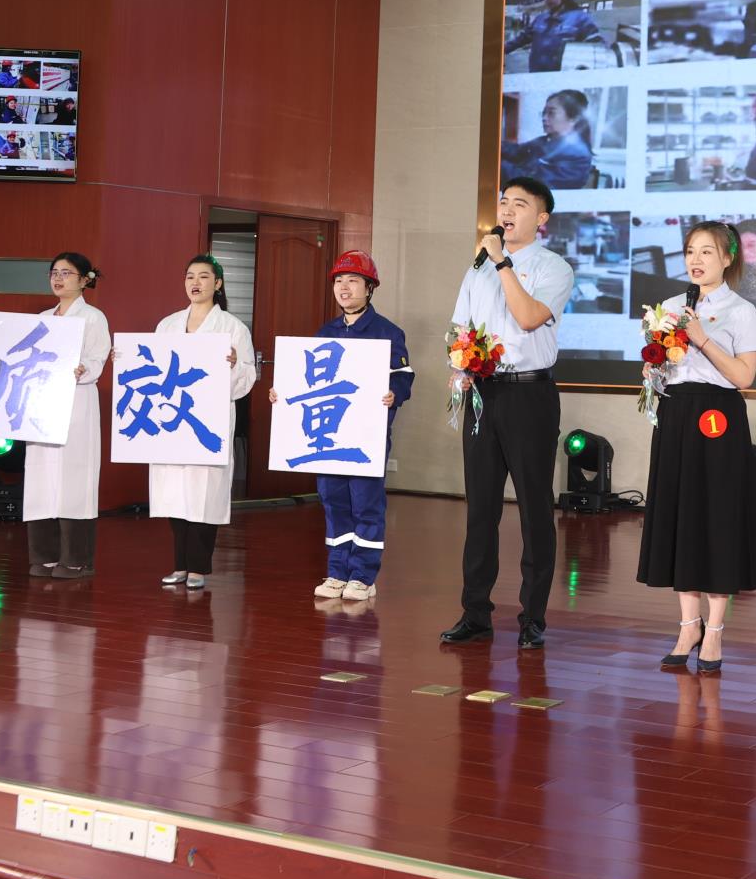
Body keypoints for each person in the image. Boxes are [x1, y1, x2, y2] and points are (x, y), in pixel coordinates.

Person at [441, 176, 576, 650]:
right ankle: (475, 612)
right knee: (480, 508)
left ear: (542, 218)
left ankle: (532, 617)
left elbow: (528, 317)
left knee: (535, 508)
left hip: (529, 395)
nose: (507, 210)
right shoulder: (476, 267)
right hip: (483, 393)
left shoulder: (553, 267)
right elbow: (460, 327)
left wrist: (502, 262)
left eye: (520, 204)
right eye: (503, 202)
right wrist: (458, 365)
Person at [640, 222, 756, 673]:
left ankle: (714, 631)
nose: (696, 260)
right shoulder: (672, 307)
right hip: (676, 413)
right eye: (691, 251)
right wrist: (653, 365)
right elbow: (665, 364)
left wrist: (702, 339)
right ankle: (687, 626)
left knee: (715, 519)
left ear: (728, 259)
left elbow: (744, 377)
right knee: (682, 518)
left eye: (707, 252)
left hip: (717, 417)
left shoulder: (741, 310)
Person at [270, 250, 413, 603]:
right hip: (329, 438)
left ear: (369, 287)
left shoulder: (387, 332)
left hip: (366, 438)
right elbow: (308, 381)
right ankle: (337, 572)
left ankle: (363, 577)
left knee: (366, 505)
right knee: (333, 503)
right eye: (338, 281)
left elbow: (404, 377)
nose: (344, 287)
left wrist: (394, 393)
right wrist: (283, 394)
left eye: (352, 280)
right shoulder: (325, 333)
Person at [0, 253, 111, 579]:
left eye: (66, 273)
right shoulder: (43, 318)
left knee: (75, 481)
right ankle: (44, 555)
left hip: (75, 403)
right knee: (40, 479)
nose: (58, 278)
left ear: (84, 279)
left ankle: (77, 559)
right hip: (41, 407)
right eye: (54, 273)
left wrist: (83, 369)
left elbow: (98, 359)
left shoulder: (93, 317)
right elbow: (14, 357)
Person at [147, 254, 258, 590]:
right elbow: (154, 368)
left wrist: (234, 365)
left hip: (208, 421)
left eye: (204, 277)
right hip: (172, 419)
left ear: (218, 284)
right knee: (174, 492)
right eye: (190, 276)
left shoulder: (233, 328)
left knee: (204, 493)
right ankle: (179, 565)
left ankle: (198, 567)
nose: (195, 283)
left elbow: (247, 379)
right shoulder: (167, 325)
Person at [504, 0, 601, 72]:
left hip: (562, 75)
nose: (547, 0)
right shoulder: (540, 18)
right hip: (536, 73)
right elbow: (521, 39)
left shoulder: (581, 19)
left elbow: (596, 49)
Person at [501, 90, 595, 189]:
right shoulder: (544, 140)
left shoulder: (578, 154)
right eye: (544, 113)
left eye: (551, 113)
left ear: (573, 119)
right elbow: (517, 151)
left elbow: (535, 184)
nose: (544, 118)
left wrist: (498, 163)